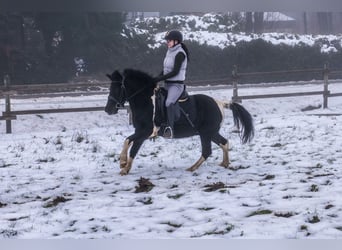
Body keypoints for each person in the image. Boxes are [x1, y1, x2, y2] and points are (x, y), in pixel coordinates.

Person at [153, 30, 190, 139]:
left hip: (176, 85)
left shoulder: (180, 53)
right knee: (158, 99)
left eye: (169, 40)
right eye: (167, 40)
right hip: (167, 84)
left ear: (176, 41)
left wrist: (160, 78)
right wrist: (156, 78)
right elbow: (165, 70)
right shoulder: (169, 52)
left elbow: (175, 72)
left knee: (169, 102)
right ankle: (158, 123)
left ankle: (170, 128)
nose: (167, 42)